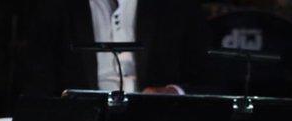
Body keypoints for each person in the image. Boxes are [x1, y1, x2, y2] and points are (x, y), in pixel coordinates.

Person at [22, 0, 211, 97]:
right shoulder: (56, 7)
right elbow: (37, 83)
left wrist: (174, 92)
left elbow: (209, 80)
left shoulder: (176, 6)